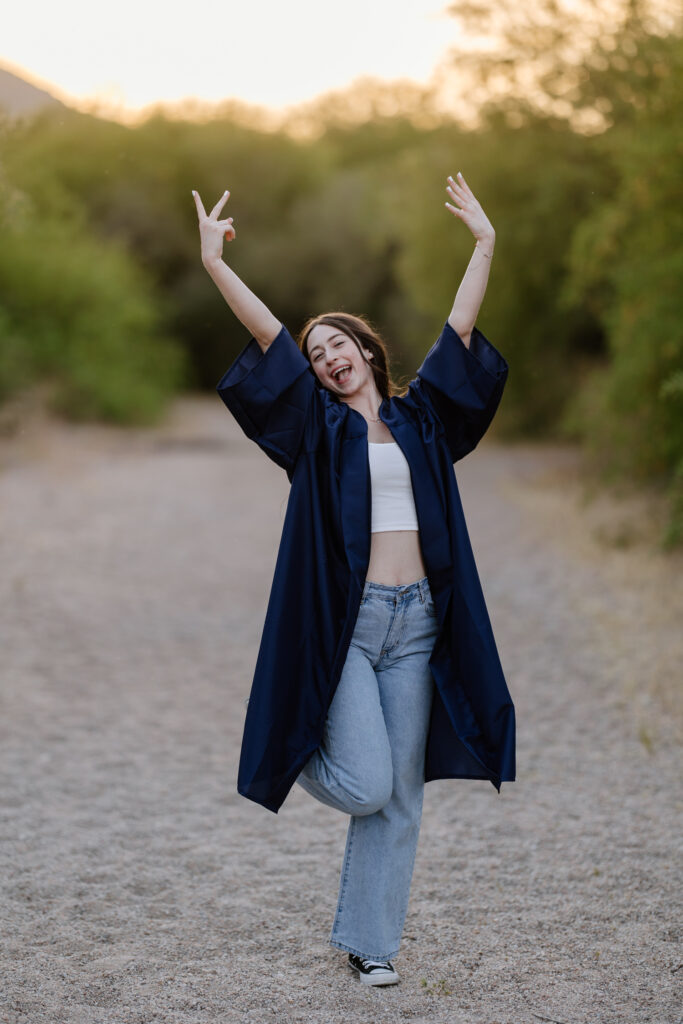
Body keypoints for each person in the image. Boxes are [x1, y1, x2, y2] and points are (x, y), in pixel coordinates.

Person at [192, 173, 515, 987]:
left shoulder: (421, 420)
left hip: (417, 627)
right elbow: (267, 336)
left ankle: (371, 945)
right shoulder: (317, 430)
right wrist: (216, 266)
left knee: (401, 797)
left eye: (338, 344)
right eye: (315, 354)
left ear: (366, 350)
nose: (328, 357)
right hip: (350, 625)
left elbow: (462, 327)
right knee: (368, 784)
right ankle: (298, 741)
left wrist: (484, 243)